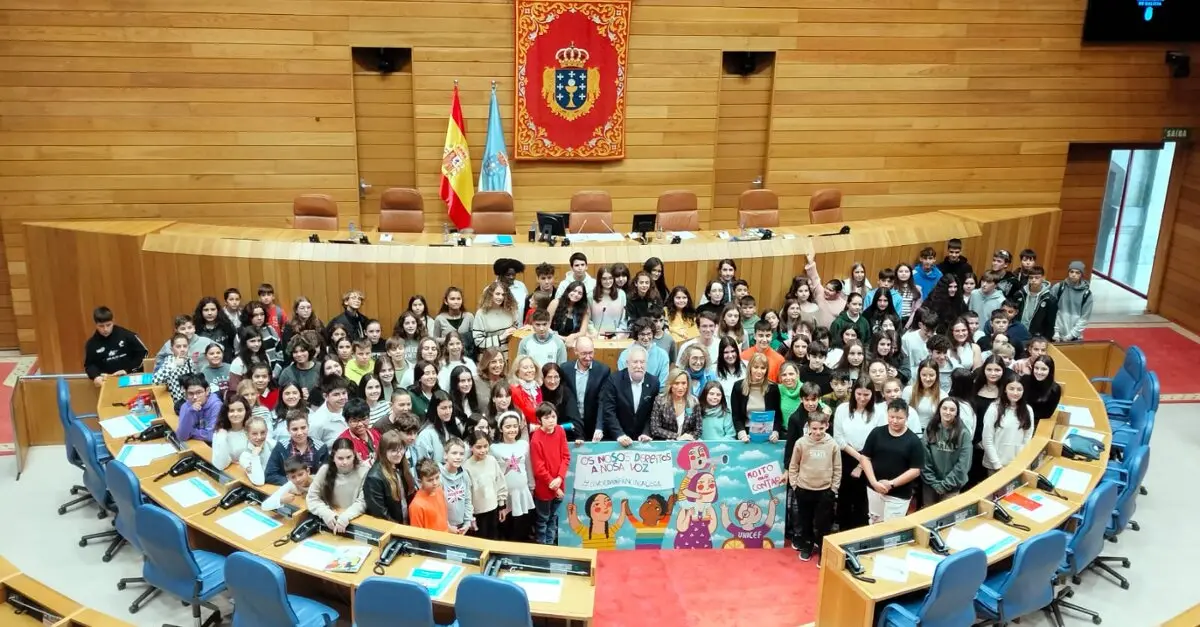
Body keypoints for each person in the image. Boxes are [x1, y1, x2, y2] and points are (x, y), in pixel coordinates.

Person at [859, 399, 925, 524]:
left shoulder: (914, 441)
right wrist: (874, 482)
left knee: (892, 529)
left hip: (898, 494)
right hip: (874, 489)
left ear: (906, 417)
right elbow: (865, 457)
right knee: (874, 522)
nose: (894, 421)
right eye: (891, 417)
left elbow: (915, 470)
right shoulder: (877, 433)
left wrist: (892, 484)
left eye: (899, 418)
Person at [788, 412, 840, 562]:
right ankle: (807, 545)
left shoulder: (832, 445)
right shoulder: (801, 443)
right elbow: (793, 465)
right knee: (806, 521)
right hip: (804, 489)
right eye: (814, 428)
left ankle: (823, 549)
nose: (818, 432)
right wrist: (795, 485)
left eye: (821, 428)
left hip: (825, 491)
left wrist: (833, 489)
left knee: (823, 523)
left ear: (827, 426)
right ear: (808, 427)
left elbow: (837, 468)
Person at [596, 345, 659, 445]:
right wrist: (619, 434)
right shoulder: (614, 380)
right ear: (627, 363)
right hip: (616, 439)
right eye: (635, 362)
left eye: (642, 362)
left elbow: (652, 413)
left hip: (642, 440)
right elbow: (609, 411)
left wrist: (646, 433)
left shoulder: (654, 382)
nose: (639, 366)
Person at [306, 438, 368, 533]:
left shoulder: (364, 471)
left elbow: (362, 502)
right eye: (340, 458)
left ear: (354, 456)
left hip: (353, 521)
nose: (345, 462)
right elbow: (312, 497)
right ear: (333, 457)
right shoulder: (325, 470)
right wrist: (326, 513)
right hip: (330, 520)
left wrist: (346, 516)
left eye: (348, 457)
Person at [491, 411, 536, 543]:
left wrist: (531, 487)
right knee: (507, 528)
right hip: (505, 496)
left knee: (522, 528)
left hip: (522, 493)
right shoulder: (494, 448)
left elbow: (528, 467)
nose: (512, 430)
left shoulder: (524, 445)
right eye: (508, 427)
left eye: (515, 426)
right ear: (501, 428)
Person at [530, 403, 570, 545]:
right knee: (543, 519)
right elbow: (539, 468)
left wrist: (560, 478)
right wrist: (554, 486)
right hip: (544, 489)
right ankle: (542, 546)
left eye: (553, 416)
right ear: (540, 420)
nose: (551, 420)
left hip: (559, 484)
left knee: (553, 517)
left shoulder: (560, 431)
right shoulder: (536, 438)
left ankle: (551, 544)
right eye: (547, 418)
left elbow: (566, 456)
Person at [921, 398, 972, 504]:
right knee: (928, 517)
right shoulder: (930, 428)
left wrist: (944, 485)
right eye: (944, 408)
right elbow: (924, 458)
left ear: (957, 412)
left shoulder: (964, 433)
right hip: (930, 485)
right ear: (939, 409)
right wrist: (934, 483)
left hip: (952, 487)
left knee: (947, 518)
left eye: (952, 410)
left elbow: (963, 465)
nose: (947, 412)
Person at [560, 336, 611, 439]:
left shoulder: (603, 371)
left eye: (590, 353)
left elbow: (603, 401)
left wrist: (599, 427)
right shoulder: (565, 369)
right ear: (576, 351)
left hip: (593, 425)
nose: (588, 357)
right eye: (584, 353)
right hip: (571, 424)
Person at [84, 306, 148, 387]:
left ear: (113, 322)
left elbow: (143, 353)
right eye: (101, 326)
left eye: (108, 325)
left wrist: (127, 370)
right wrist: (95, 376)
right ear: (96, 325)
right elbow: (90, 365)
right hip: (108, 383)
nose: (105, 329)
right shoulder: (91, 344)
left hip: (131, 379)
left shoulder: (127, 336)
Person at [981, 376, 1035, 473]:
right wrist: (997, 465)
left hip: (1017, 465)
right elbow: (987, 440)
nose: (1015, 393)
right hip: (996, 465)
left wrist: (1021, 462)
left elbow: (1027, 438)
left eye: (1019, 389)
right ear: (1005, 390)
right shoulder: (994, 409)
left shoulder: (1028, 410)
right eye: (1011, 388)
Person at [363, 430, 417, 523]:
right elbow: (380, 513)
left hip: (406, 520)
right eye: (394, 451)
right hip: (392, 528)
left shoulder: (401, 466)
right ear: (384, 451)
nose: (399, 454)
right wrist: (399, 529)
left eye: (401, 449)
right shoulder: (374, 477)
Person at [265, 410, 329, 485]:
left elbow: (326, 476)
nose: (300, 433)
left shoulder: (321, 448)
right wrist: (291, 483)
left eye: (303, 428)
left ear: (308, 427)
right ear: (288, 430)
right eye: (295, 429)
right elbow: (269, 474)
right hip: (289, 490)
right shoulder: (281, 447)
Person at [464, 431, 507, 540]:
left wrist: (502, 505)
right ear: (471, 447)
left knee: (493, 538)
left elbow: (500, 483)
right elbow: (467, 494)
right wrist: (470, 516)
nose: (483, 450)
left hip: (493, 509)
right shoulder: (466, 467)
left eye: (485, 446)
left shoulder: (492, 461)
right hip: (477, 513)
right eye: (478, 447)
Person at [730, 353, 782, 443]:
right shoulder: (738, 387)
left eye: (763, 368)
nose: (759, 371)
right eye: (756, 367)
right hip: (746, 434)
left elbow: (777, 416)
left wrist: (775, 432)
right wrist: (741, 433)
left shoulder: (773, 388)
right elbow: (736, 416)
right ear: (750, 367)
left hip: (767, 435)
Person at [647, 367, 700, 441]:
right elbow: (655, 428)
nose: (680, 387)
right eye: (676, 383)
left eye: (683, 383)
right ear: (670, 384)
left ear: (688, 384)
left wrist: (688, 437)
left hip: (687, 445)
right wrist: (676, 437)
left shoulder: (694, 402)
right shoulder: (660, 400)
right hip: (665, 445)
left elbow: (698, 429)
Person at [617, 318, 670, 384]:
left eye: (648, 334)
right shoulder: (625, 355)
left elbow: (663, 384)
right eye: (642, 334)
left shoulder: (662, 355)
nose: (646, 338)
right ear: (636, 335)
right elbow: (623, 381)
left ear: (653, 334)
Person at [439, 437, 474, 535]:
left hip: (461, 526)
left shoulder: (464, 475)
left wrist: (467, 522)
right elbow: (437, 506)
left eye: (461, 454)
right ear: (445, 455)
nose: (458, 457)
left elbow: (467, 499)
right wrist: (447, 526)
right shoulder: (438, 476)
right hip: (445, 527)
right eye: (454, 453)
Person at [1051, 261, 1093, 342]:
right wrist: (1055, 331)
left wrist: (1071, 335)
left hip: (1075, 336)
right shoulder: (1059, 287)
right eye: (1072, 272)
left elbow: (1084, 318)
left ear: (1081, 275)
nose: (1074, 275)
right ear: (1068, 272)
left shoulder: (1087, 294)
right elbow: (1051, 311)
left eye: (1077, 273)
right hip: (1056, 334)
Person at [175, 373, 221, 444]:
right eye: (191, 393)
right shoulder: (186, 407)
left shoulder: (216, 405)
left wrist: (191, 432)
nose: (195, 397)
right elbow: (182, 436)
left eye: (199, 392)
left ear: (207, 391)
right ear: (186, 394)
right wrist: (189, 412)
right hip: (196, 444)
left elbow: (212, 436)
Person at [309, 376, 351, 448]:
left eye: (344, 393)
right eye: (336, 394)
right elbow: (313, 450)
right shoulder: (317, 422)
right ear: (325, 396)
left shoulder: (350, 408)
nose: (342, 397)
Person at [409, 458, 450, 532]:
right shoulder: (416, 505)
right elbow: (417, 535)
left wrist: (449, 529)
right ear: (420, 482)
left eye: (437, 478)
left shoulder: (439, 490)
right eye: (430, 480)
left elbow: (443, 519)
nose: (435, 483)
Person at [1021, 354, 1062, 425]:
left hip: (1036, 422)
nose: (1039, 372)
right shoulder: (1024, 379)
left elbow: (1047, 414)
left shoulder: (1055, 389)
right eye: (1036, 368)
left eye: (1044, 369)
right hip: (1019, 417)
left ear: (1050, 371)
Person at [337, 398, 380, 463]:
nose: (360, 424)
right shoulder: (343, 443)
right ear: (346, 421)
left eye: (363, 419)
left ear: (369, 417)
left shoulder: (375, 433)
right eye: (354, 421)